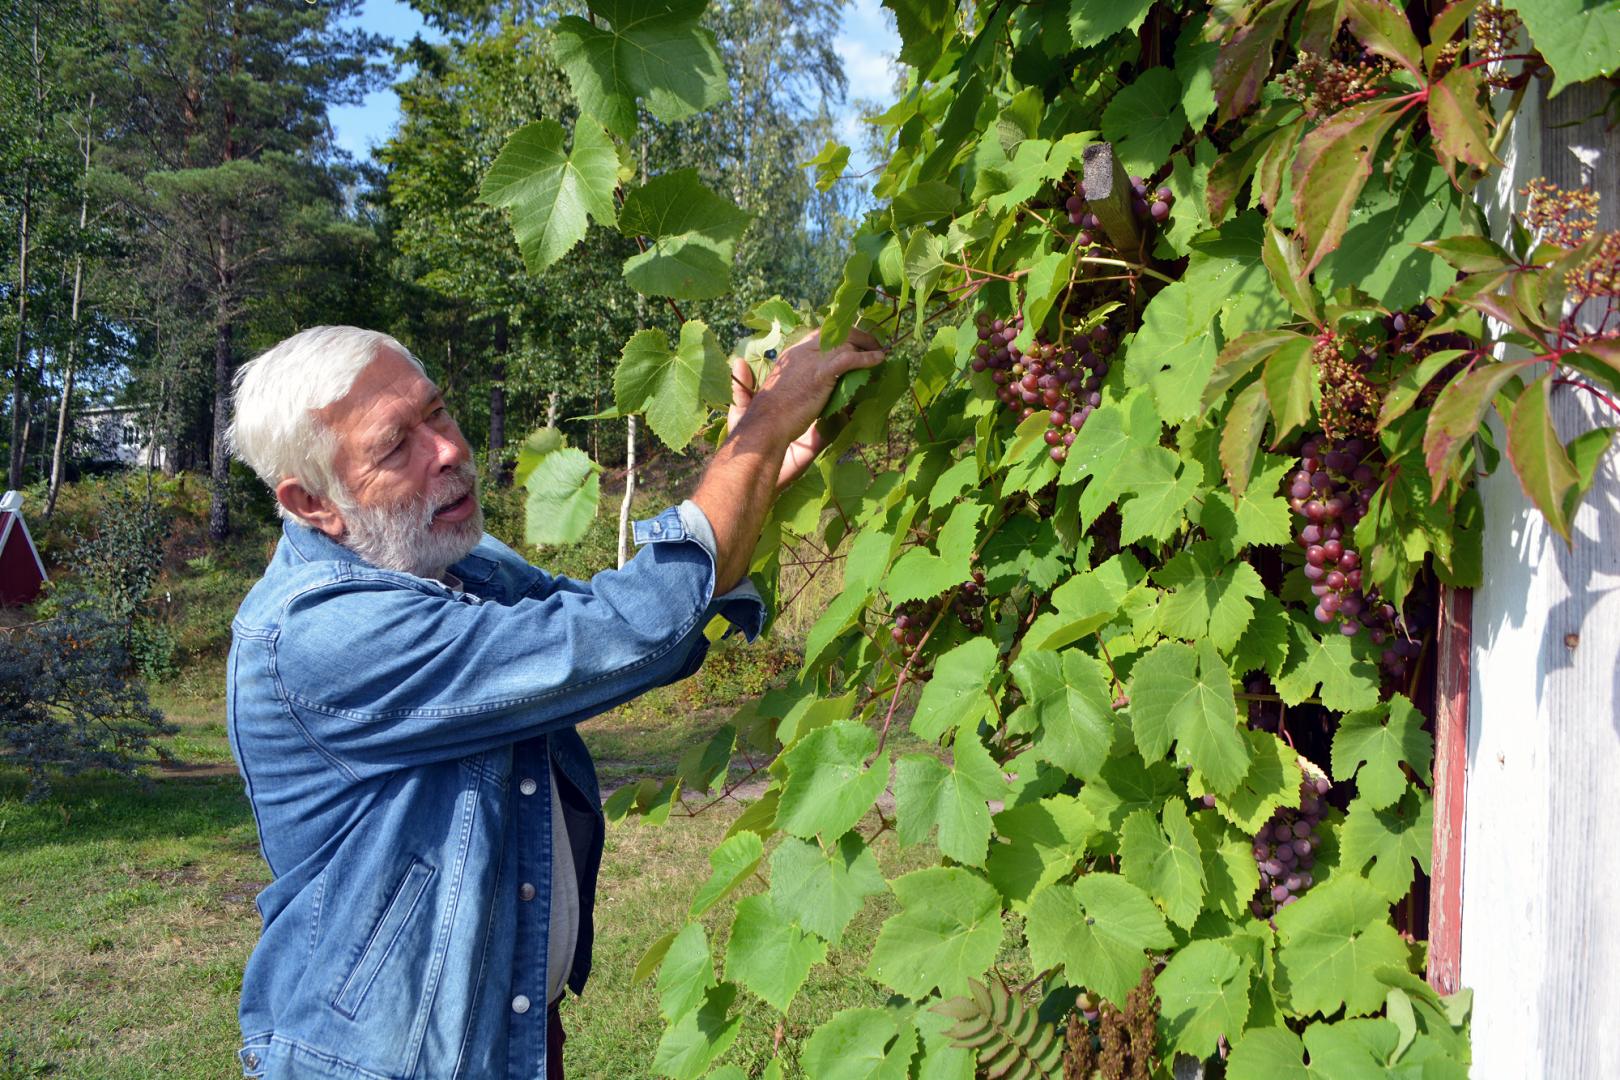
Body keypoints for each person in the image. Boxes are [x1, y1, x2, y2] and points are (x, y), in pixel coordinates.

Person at [223, 324, 885, 1079]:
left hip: (507, 1038)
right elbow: (628, 632)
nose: (447, 450)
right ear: (313, 502)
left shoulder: (455, 562)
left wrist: (760, 471)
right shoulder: (319, 635)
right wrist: (762, 432)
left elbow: (629, 625)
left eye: (436, 412)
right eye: (393, 445)